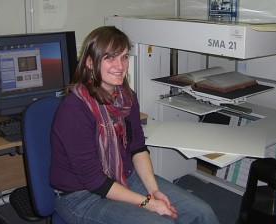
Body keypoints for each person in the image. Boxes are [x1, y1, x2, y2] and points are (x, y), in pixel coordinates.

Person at [49, 26, 220, 224]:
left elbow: (138, 148)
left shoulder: (125, 97)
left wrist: (154, 191)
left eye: (124, 57)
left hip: (123, 175)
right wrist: (148, 203)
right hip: (81, 196)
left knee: (202, 213)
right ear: (89, 62)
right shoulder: (74, 110)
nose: (120, 65)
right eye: (110, 57)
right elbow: (95, 181)